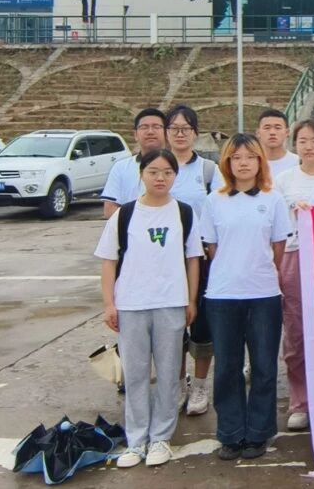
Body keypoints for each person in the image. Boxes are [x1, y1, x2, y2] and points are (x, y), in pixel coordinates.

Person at [95, 149, 202, 468]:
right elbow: (109, 261)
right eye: (153, 172)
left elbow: (193, 260)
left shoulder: (183, 213)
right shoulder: (125, 214)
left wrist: (191, 300)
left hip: (170, 304)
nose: (160, 178)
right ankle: (137, 440)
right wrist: (109, 303)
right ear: (141, 174)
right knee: (136, 375)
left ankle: (161, 438)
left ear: (175, 176)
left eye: (167, 173)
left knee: (169, 374)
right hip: (132, 305)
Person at [199, 134, 291, 461]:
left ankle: (259, 432)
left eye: (250, 157)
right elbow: (212, 248)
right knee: (228, 366)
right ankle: (231, 433)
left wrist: (259, 270)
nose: (243, 163)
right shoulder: (214, 201)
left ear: (259, 162)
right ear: (227, 163)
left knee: (264, 366)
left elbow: (279, 247)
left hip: (263, 293)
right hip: (223, 295)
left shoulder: (273, 199)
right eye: (236, 157)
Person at [274, 120, 314, 432]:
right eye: (302, 141)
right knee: (296, 331)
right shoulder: (283, 180)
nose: (308, 146)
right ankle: (300, 401)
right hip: (294, 257)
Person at [164, 104, 218, 417]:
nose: (180, 134)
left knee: (201, 324)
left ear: (196, 133)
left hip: (201, 258)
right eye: (174, 128)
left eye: (186, 128)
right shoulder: (158, 167)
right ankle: (176, 385)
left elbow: (219, 208)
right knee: (171, 325)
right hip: (164, 259)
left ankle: (199, 386)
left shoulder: (208, 170)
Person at [102, 108, 167, 218]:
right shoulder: (121, 168)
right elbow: (110, 209)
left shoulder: (176, 167)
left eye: (156, 127)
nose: (150, 132)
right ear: (136, 135)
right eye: (144, 127)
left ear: (166, 133)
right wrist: (141, 223)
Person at [211, 109, 298, 191]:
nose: (272, 132)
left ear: (287, 132)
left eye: (278, 128)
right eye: (267, 128)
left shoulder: (298, 163)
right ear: (258, 132)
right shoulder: (247, 164)